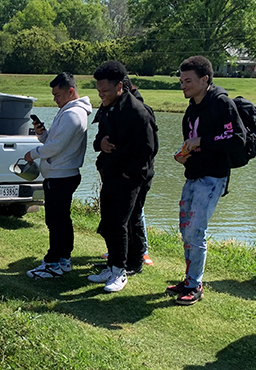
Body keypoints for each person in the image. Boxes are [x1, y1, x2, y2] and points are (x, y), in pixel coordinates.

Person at [167, 55, 245, 305]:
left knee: (195, 230)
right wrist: (186, 155)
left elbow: (236, 139)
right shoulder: (193, 106)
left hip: (212, 177)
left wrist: (201, 142)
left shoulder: (221, 103)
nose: (183, 85)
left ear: (205, 79)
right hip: (193, 174)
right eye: (181, 81)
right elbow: (194, 139)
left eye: (188, 81)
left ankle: (195, 285)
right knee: (185, 230)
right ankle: (189, 279)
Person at [86, 62, 158, 292]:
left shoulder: (137, 111)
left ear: (119, 86)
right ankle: (111, 266)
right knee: (107, 222)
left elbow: (149, 148)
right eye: (98, 91)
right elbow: (98, 140)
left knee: (120, 223)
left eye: (105, 91)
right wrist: (102, 144)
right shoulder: (108, 108)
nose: (101, 95)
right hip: (110, 172)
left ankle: (121, 271)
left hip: (129, 177)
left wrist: (131, 173)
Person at [22, 72, 92, 279]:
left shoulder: (72, 114)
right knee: (60, 219)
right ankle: (63, 260)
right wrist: (42, 133)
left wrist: (32, 154)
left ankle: (53, 263)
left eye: (58, 95)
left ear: (71, 91)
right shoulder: (68, 111)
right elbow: (52, 141)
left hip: (62, 176)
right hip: (60, 174)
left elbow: (56, 147)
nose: (55, 99)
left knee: (56, 221)